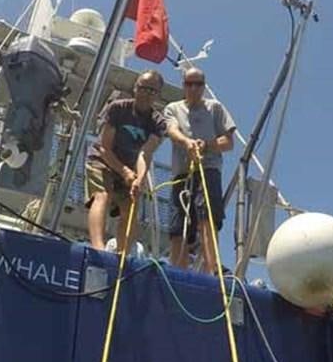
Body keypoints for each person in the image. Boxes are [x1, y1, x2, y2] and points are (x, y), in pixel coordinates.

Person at [84, 70, 168, 255]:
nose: (146, 93)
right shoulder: (118, 108)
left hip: (131, 167)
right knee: (102, 196)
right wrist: (124, 172)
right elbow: (105, 147)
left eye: (152, 90)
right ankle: (98, 249)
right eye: (143, 88)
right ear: (135, 88)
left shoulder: (158, 123)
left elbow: (145, 153)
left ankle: (123, 254)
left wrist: (139, 179)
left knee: (130, 207)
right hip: (103, 159)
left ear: (158, 94)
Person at [163, 66, 236, 271]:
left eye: (198, 84)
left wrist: (206, 145)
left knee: (207, 218)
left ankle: (210, 271)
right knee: (178, 225)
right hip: (182, 173)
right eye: (189, 84)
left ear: (204, 86)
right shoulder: (172, 108)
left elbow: (228, 142)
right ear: (183, 85)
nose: (194, 88)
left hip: (208, 170)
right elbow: (172, 130)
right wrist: (187, 143)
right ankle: (178, 272)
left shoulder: (215, 108)